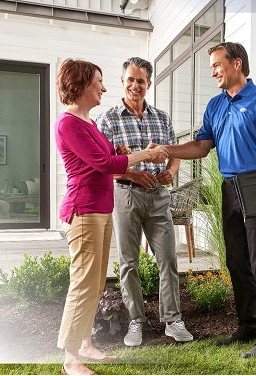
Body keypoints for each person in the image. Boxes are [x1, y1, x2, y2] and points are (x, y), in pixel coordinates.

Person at [164, 42, 256, 358]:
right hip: (229, 186)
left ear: (236, 63)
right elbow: (202, 146)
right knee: (236, 261)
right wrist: (167, 149)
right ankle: (249, 326)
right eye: (211, 67)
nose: (213, 72)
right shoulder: (215, 105)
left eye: (217, 65)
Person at [55, 58, 166, 375]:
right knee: (83, 284)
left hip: (101, 209)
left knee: (95, 284)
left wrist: (118, 151)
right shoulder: (68, 124)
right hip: (84, 210)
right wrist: (144, 154)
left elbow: (107, 157)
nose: (103, 88)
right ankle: (70, 360)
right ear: (80, 86)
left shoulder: (88, 122)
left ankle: (86, 343)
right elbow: (102, 165)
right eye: (97, 83)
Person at [96, 57, 193, 347]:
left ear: (148, 84)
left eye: (141, 81)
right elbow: (103, 163)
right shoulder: (109, 119)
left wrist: (171, 171)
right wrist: (133, 175)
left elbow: (175, 151)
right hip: (125, 194)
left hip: (158, 197)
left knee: (168, 258)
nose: (135, 85)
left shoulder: (161, 118)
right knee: (129, 262)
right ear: (123, 81)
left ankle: (173, 320)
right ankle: (136, 320)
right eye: (130, 79)